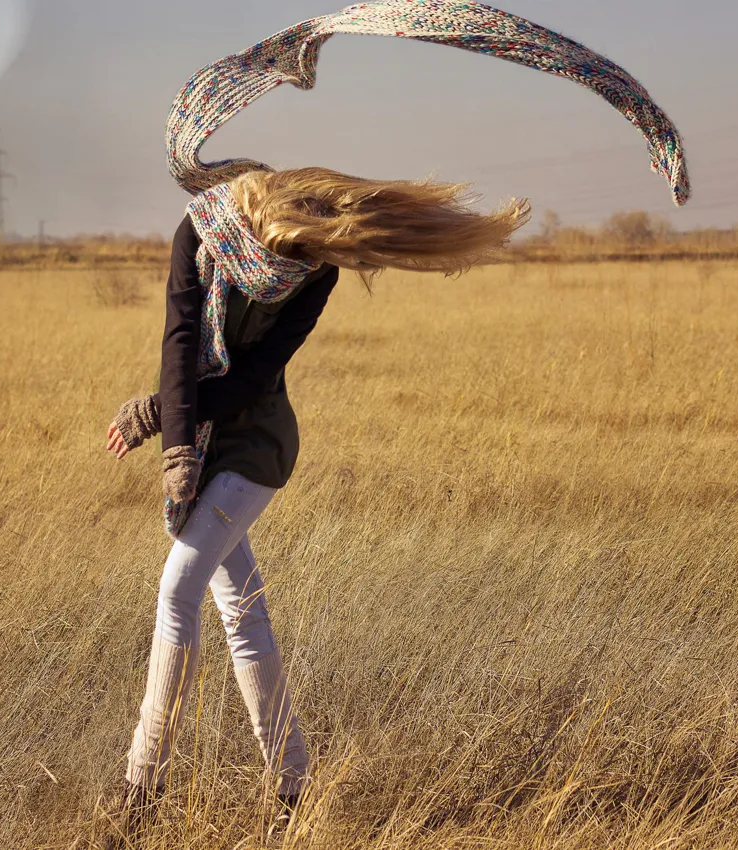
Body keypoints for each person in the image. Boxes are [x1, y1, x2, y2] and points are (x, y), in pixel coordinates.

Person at [105, 165, 529, 829]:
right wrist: (177, 445)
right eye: (278, 256)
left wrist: (161, 416)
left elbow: (251, 379)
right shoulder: (201, 231)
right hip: (205, 436)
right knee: (242, 615)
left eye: (298, 258)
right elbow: (181, 341)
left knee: (176, 591)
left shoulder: (317, 273)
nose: (285, 271)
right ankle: (293, 787)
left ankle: (140, 792)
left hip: (256, 449)